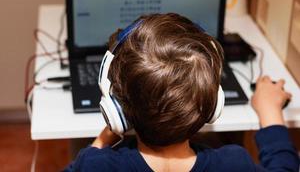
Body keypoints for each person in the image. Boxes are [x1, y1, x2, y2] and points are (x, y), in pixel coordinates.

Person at [64, 13, 299, 172]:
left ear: (118, 111)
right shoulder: (234, 163)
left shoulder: (96, 164)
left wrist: (105, 137)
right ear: (212, 103)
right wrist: (270, 112)